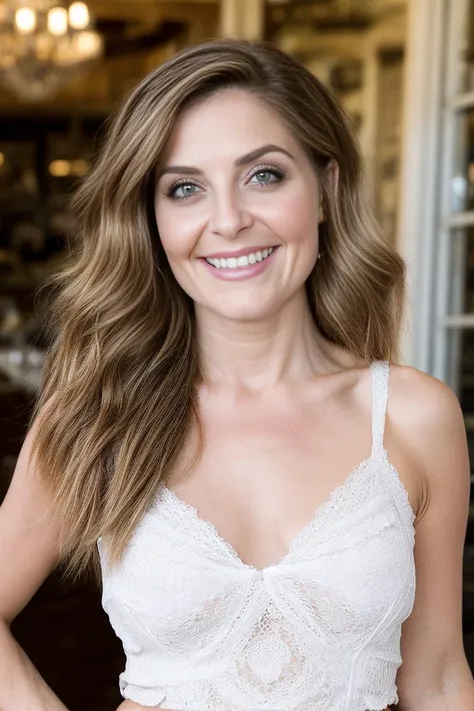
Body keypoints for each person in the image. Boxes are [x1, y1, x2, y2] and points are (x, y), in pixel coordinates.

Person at [0, 38, 473, 711]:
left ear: (325, 191)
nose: (227, 221)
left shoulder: (412, 416)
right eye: (185, 188)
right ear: (151, 219)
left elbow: (438, 678)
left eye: (264, 175)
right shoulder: (101, 414)